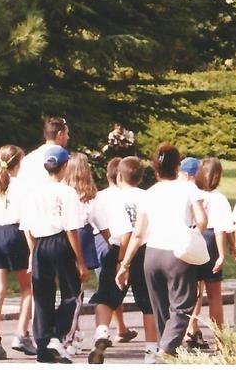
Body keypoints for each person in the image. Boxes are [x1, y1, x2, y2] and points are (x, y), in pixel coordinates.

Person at [114, 143, 207, 362]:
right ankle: (166, 349)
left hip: (152, 255)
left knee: (161, 308)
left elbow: (138, 233)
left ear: (155, 168)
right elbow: (202, 220)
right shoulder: (188, 188)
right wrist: (193, 235)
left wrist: (125, 264)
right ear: (178, 165)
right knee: (182, 306)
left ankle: (168, 355)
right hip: (178, 253)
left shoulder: (150, 193)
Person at [19, 144, 89, 364]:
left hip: (39, 243)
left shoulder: (34, 193)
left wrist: (32, 253)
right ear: (65, 165)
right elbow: (71, 229)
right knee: (72, 292)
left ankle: (42, 344)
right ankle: (57, 335)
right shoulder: (67, 192)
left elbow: (26, 227)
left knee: (42, 295)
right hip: (60, 242)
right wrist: (80, 261)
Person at [88, 156, 156, 363]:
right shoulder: (148, 196)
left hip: (119, 249)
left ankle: (101, 332)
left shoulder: (111, 197)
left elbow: (114, 229)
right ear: (141, 176)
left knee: (106, 296)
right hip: (145, 250)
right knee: (148, 303)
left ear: (119, 175)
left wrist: (120, 261)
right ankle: (151, 350)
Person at [0, 144, 37, 359]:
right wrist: (33, 250)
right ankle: (22, 333)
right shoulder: (23, 187)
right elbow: (28, 222)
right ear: (19, 163)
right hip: (16, 233)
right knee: (28, 288)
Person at [185, 157, 232, 350]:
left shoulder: (192, 194)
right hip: (211, 240)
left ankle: (190, 329)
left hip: (193, 237)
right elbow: (221, 228)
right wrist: (223, 253)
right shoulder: (219, 198)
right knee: (214, 295)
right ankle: (219, 339)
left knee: (194, 292)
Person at [62, 151, 102, 355]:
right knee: (77, 292)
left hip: (63, 237)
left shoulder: (62, 193)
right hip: (82, 236)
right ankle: (69, 335)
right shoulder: (89, 197)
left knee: (68, 290)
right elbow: (97, 221)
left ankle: (73, 330)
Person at [95, 157, 138, 344]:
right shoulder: (132, 195)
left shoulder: (101, 196)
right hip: (129, 244)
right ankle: (122, 328)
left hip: (106, 242)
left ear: (108, 175)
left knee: (108, 289)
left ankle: (109, 329)